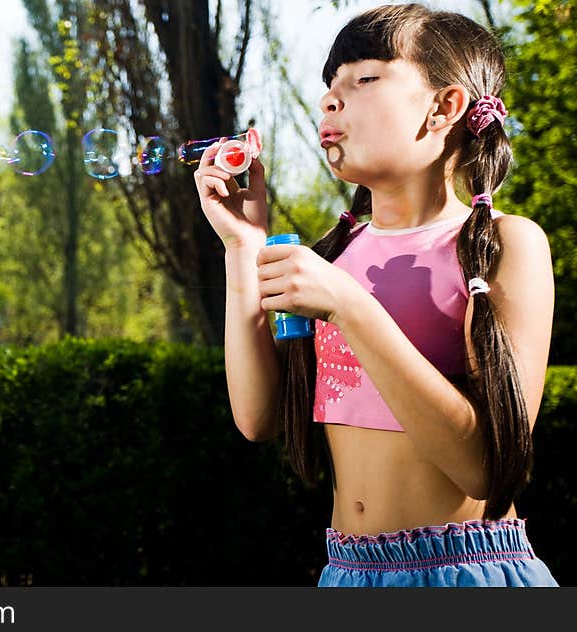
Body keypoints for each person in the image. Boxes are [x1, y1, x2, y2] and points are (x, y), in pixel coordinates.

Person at [193, 3, 558, 587]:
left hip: (465, 575)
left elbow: (486, 470)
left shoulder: (504, 246)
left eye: (363, 78)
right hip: (349, 575)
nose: (330, 100)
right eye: (329, 86)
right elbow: (257, 417)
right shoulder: (334, 255)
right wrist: (243, 246)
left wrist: (350, 304)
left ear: (444, 108)